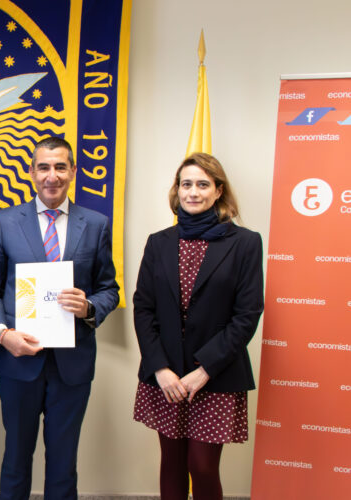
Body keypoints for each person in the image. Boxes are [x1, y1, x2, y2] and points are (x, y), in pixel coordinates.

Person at [0, 137, 119, 500]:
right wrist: (1, 333)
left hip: (71, 366)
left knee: (62, 463)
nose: (51, 176)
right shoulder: (7, 222)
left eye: (60, 167)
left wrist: (90, 307)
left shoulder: (96, 224)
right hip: (17, 361)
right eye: (43, 167)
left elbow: (109, 289)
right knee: (15, 459)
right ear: (31, 173)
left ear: (74, 171)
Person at [132, 153, 264, 500]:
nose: (193, 192)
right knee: (172, 462)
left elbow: (247, 313)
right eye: (185, 184)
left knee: (203, 466)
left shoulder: (245, 243)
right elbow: (143, 308)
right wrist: (159, 367)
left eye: (203, 184)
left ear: (218, 191)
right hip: (166, 374)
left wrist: (205, 370)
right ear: (177, 190)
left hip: (216, 374)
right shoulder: (159, 242)